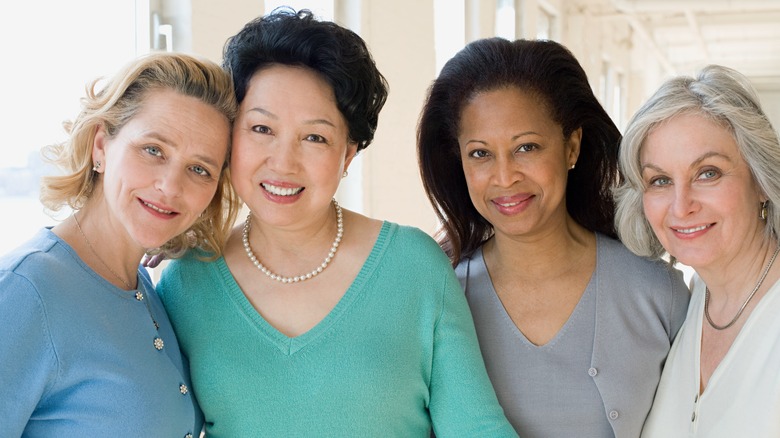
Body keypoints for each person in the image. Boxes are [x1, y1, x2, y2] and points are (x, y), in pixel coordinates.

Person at [156, 8, 516, 437]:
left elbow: (478, 429)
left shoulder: (413, 267)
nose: (283, 162)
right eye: (261, 128)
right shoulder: (186, 282)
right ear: (231, 137)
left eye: (315, 137)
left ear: (347, 155)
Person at [417, 37, 690, 437]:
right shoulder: (440, 299)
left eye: (527, 147)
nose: (505, 176)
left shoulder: (655, 292)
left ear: (571, 146)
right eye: (480, 153)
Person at [0, 52, 237, 436]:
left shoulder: (144, 289)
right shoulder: (24, 292)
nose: (171, 187)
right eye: (153, 150)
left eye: (199, 169)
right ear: (101, 146)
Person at [614, 64, 780, 437]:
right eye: (660, 180)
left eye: (708, 173)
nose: (680, 205)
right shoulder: (691, 302)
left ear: (761, 180)